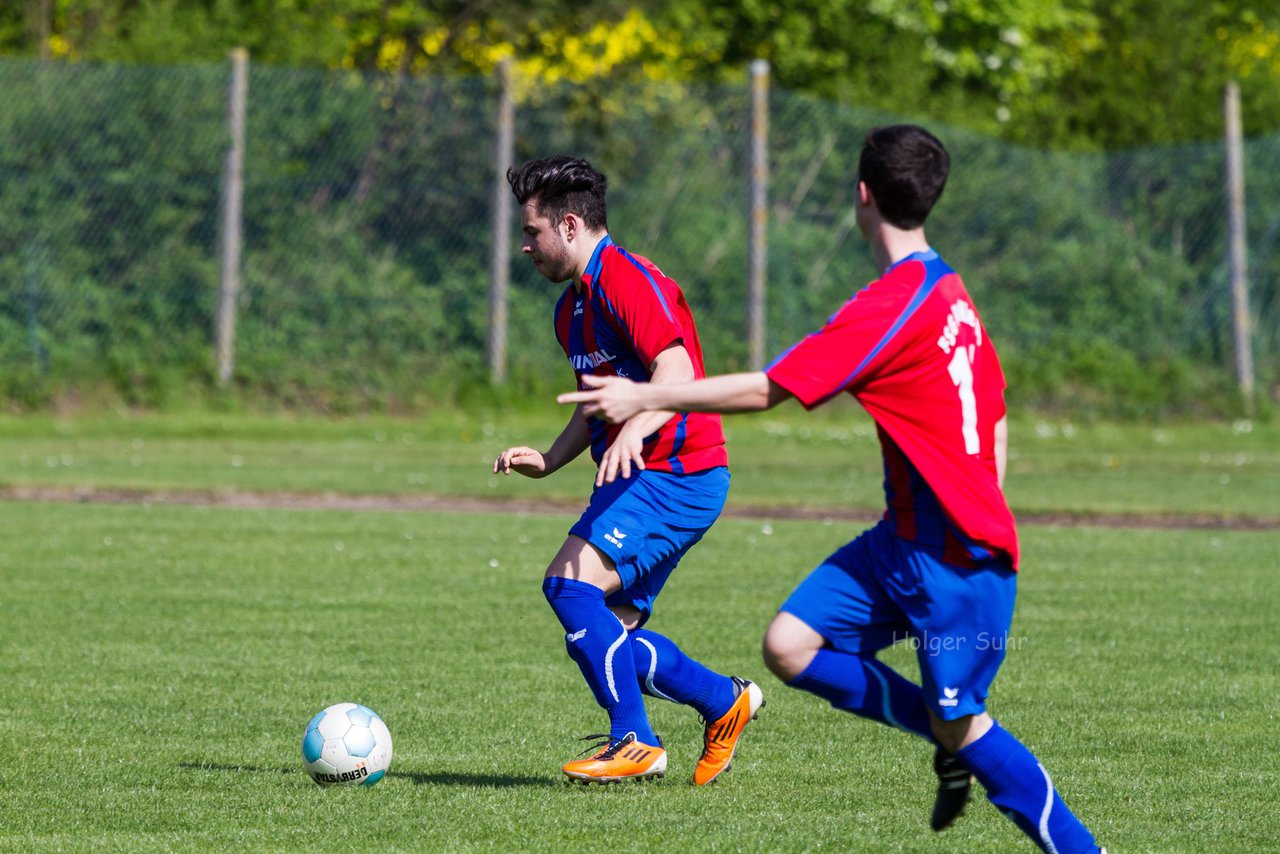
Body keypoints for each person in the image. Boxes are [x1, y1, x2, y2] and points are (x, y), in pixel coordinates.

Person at [559, 126, 1103, 851]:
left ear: (862, 196)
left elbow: (768, 389)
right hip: (901, 542)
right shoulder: (949, 292)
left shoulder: (895, 304)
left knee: (965, 724)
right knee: (787, 646)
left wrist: (643, 400)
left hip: (960, 560)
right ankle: (949, 737)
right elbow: (995, 418)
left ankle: (1072, 839)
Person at [493, 155, 763, 785]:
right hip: (641, 477)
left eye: (531, 232)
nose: (524, 245)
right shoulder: (572, 311)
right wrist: (550, 458)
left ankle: (634, 741)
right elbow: (596, 408)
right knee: (609, 638)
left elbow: (677, 373)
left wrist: (635, 430)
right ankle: (725, 702)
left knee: (567, 585)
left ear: (567, 225)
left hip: (676, 472)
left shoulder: (628, 280)